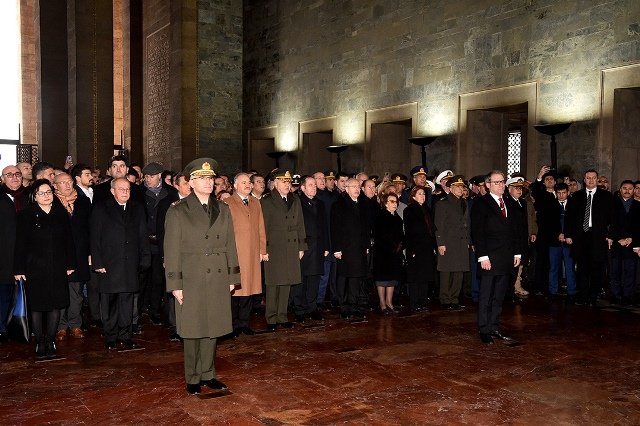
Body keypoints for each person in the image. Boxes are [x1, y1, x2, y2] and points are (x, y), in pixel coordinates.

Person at [164, 158, 240, 395]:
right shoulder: (178, 210)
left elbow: (230, 244)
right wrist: (175, 284)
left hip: (217, 275)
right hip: (192, 276)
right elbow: (171, 249)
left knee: (213, 327)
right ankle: (193, 376)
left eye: (211, 178)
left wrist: (232, 277)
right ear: (191, 182)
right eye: (203, 179)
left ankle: (208, 373)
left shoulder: (223, 208)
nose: (209, 182)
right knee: (193, 328)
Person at [14, 179, 76, 358]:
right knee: (37, 305)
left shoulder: (60, 213)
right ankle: (40, 340)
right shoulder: (26, 215)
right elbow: (20, 244)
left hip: (57, 266)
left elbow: (69, 240)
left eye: (49, 192)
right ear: (34, 196)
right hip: (34, 267)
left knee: (55, 304)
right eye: (42, 193)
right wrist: (18, 269)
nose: (46, 196)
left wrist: (70, 263)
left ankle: (51, 339)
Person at [91, 178, 150, 350]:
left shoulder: (136, 208)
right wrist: (97, 262)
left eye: (128, 189)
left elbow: (142, 235)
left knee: (127, 301)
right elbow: (95, 237)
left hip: (130, 263)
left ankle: (126, 335)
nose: (125, 192)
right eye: (121, 189)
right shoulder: (102, 208)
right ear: (112, 191)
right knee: (109, 302)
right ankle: (110, 336)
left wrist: (145, 258)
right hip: (109, 264)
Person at [471, 171, 524, 344]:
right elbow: (477, 232)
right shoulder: (481, 203)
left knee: (500, 294)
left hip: (506, 256)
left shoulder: (509, 202)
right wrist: (482, 256)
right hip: (489, 256)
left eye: (502, 182)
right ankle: (484, 328)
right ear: (488, 185)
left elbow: (515, 230)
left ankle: (494, 325)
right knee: (486, 294)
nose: (501, 185)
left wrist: (517, 252)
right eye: (496, 182)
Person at [260, 169, 307, 331]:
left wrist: (301, 246)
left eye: (289, 182)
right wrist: (263, 249)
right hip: (274, 247)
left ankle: (282, 315)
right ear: (275, 183)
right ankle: (271, 318)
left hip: (291, 246)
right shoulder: (266, 201)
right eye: (284, 182)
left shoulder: (295, 199)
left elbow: (300, 224)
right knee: (273, 283)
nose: (287, 185)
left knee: (287, 282)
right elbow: (262, 227)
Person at [226, 173, 267, 335]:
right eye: (243, 182)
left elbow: (261, 228)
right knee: (235, 290)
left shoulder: (256, 202)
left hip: (252, 253)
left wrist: (262, 250)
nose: (248, 185)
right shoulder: (227, 203)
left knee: (249, 289)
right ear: (235, 185)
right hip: (236, 252)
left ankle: (244, 323)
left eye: (249, 182)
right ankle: (232, 324)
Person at [564, 169, 613, 306]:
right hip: (580, 237)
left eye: (593, 178)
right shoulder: (576, 197)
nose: (591, 180)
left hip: (598, 236)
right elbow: (569, 217)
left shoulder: (606, 197)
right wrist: (568, 235)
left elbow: (612, 218)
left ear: (597, 180)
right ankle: (583, 295)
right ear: (584, 180)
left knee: (597, 267)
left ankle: (593, 296)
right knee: (582, 267)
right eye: (588, 178)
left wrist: (610, 235)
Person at [53, 172, 91, 341]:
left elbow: (90, 228)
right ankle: (60, 326)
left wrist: (90, 252)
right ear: (55, 186)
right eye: (63, 183)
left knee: (76, 293)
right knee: (60, 292)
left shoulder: (83, 201)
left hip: (79, 254)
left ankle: (75, 324)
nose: (68, 185)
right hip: (58, 255)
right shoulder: (51, 202)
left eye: (69, 182)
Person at [331, 178, 371, 319]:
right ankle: (344, 306)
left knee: (355, 277)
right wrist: (336, 249)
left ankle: (353, 304)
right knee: (344, 277)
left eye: (358, 186)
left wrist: (366, 246)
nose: (356, 189)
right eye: (353, 186)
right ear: (346, 189)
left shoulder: (363, 204)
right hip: (345, 248)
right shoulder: (339, 204)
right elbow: (335, 228)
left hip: (359, 248)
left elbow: (365, 228)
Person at [294, 176, 328, 322]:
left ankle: (312, 308)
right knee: (301, 280)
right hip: (303, 247)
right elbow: (294, 226)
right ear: (302, 187)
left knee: (314, 279)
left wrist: (326, 246)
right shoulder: (297, 203)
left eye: (315, 185)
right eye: (310, 185)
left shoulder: (320, 204)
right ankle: (299, 309)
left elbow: (325, 226)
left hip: (318, 247)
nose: (314, 187)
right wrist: (297, 246)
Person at [0, 165, 28, 342]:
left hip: (27, 255)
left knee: (26, 295)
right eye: (9, 175)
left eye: (17, 174)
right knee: (3, 294)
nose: (14, 177)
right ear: (3, 178)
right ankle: (1, 328)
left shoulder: (29, 197)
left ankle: (23, 327)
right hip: (4, 255)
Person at [434, 175, 471, 310]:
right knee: (446, 271)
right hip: (448, 242)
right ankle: (445, 299)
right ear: (451, 188)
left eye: (462, 187)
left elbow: (467, 223)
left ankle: (454, 298)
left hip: (461, 242)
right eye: (458, 186)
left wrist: (468, 240)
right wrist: (440, 243)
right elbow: (439, 225)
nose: (461, 189)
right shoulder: (442, 203)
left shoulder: (464, 203)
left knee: (459, 271)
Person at [403, 185, 436, 312]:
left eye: (424, 194)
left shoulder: (427, 209)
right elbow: (409, 232)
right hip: (415, 248)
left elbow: (431, 230)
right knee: (415, 277)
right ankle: (414, 302)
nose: (423, 196)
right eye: (420, 194)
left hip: (427, 248)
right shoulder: (409, 210)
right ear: (413, 196)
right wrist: (412, 250)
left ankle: (422, 301)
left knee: (425, 276)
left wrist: (433, 246)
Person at [609, 180, 640, 305]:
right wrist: (617, 239)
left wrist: (631, 238)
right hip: (616, 243)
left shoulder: (638, 206)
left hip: (631, 243)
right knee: (615, 271)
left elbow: (639, 227)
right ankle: (615, 295)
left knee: (630, 271)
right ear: (620, 189)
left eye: (630, 189)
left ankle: (628, 296)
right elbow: (610, 224)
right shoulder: (612, 205)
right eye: (624, 188)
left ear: (634, 191)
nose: (627, 191)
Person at [372, 193, 404, 314]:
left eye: (396, 201)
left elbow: (401, 235)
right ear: (385, 203)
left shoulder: (397, 218)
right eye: (391, 201)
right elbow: (378, 235)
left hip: (395, 254)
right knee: (382, 279)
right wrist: (391, 246)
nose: (395, 204)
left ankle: (389, 303)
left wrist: (400, 245)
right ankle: (382, 304)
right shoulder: (380, 216)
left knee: (392, 279)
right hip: (382, 253)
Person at [545, 182, 577, 302]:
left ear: (568, 192)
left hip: (569, 242)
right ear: (556, 193)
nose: (562, 195)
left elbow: (576, 224)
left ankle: (571, 292)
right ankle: (553, 291)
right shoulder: (550, 205)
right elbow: (546, 224)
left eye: (564, 193)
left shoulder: (574, 205)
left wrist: (569, 235)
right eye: (559, 193)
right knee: (553, 267)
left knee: (570, 267)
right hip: (555, 242)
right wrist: (557, 235)